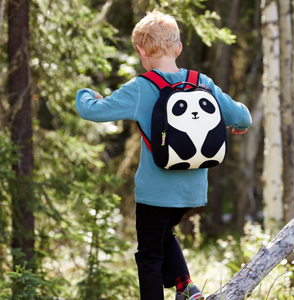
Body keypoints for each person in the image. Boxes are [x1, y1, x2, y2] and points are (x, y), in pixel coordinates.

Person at [75, 10, 252, 300]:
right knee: (164, 234)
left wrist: (86, 93)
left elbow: (91, 110)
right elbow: (241, 115)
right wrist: (238, 125)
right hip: (193, 193)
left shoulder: (141, 88)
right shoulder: (202, 82)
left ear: (141, 50)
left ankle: (179, 289)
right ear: (178, 48)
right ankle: (187, 287)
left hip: (154, 193)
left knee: (149, 255)